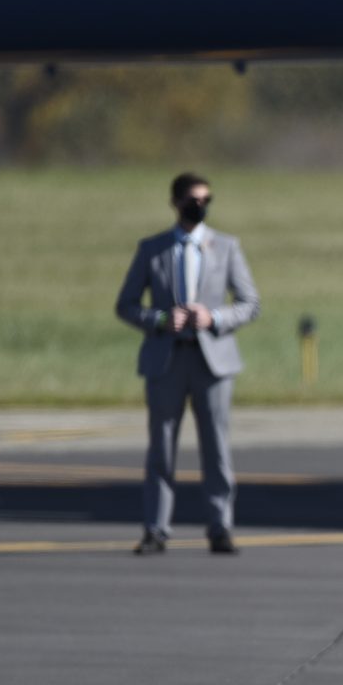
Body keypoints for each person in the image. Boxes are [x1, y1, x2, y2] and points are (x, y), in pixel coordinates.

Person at [115, 172, 261, 555]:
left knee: (216, 446)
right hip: (167, 357)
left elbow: (250, 304)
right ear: (175, 203)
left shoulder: (226, 247)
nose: (200, 207)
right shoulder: (153, 249)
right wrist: (161, 319)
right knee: (161, 447)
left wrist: (213, 317)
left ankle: (219, 526)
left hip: (212, 360)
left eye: (206, 200)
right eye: (193, 200)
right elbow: (126, 305)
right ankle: (156, 528)